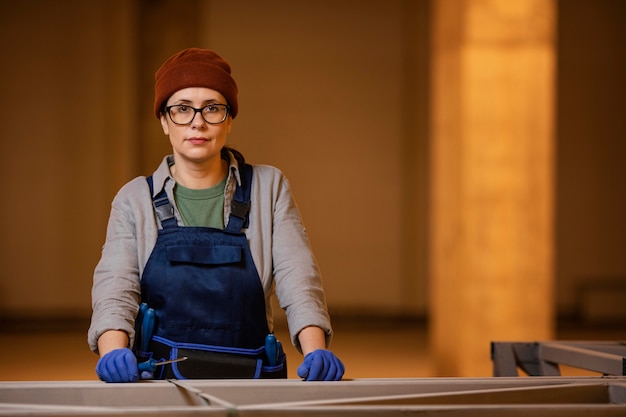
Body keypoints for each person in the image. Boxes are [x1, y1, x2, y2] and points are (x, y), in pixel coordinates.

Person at [88, 48, 344, 382]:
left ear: (230, 119)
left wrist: (316, 350)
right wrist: (114, 351)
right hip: (158, 382)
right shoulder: (135, 198)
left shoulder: (269, 187)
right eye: (182, 109)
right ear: (164, 121)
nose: (198, 121)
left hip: (251, 378)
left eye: (212, 108)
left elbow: (298, 276)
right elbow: (115, 286)